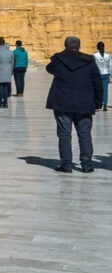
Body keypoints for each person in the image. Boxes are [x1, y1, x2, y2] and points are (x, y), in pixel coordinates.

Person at [47, 36, 102, 173]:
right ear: (79, 46)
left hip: (62, 102)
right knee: (85, 134)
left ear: (65, 46)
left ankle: (66, 165)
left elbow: (49, 68)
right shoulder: (89, 61)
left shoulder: (58, 59)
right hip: (84, 103)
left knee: (64, 134)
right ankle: (87, 165)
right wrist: (98, 102)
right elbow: (97, 82)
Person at [0, 38, 14, 108]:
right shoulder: (10, 52)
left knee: (0, 86)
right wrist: (11, 71)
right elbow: (12, 63)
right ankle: (6, 103)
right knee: (6, 87)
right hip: (8, 71)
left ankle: (0, 102)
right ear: (4, 43)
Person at [94, 41, 111, 111]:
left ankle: (98, 105)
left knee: (97, 90)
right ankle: (105, 105)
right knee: (105, 91)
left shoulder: (95, 55)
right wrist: (111, 74)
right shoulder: (108, 55)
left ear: (97, 47)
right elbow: (110, 66)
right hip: (106, 74)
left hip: (98, 74)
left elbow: (94, 66)